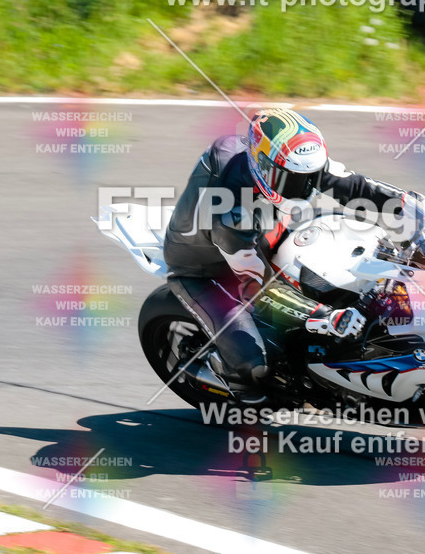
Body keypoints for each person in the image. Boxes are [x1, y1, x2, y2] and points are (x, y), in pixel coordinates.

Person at [163, 108, 407, 400]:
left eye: (310, 176)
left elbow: (354, 185)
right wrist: (324, 316)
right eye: (291, 179)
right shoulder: (230, 214)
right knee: (254, 367)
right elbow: (255, 287)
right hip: (212, 271)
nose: (304, 187)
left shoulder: (288, 164)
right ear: (263, 166)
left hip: (272, 231)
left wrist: (416, 205)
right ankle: (230, 380)